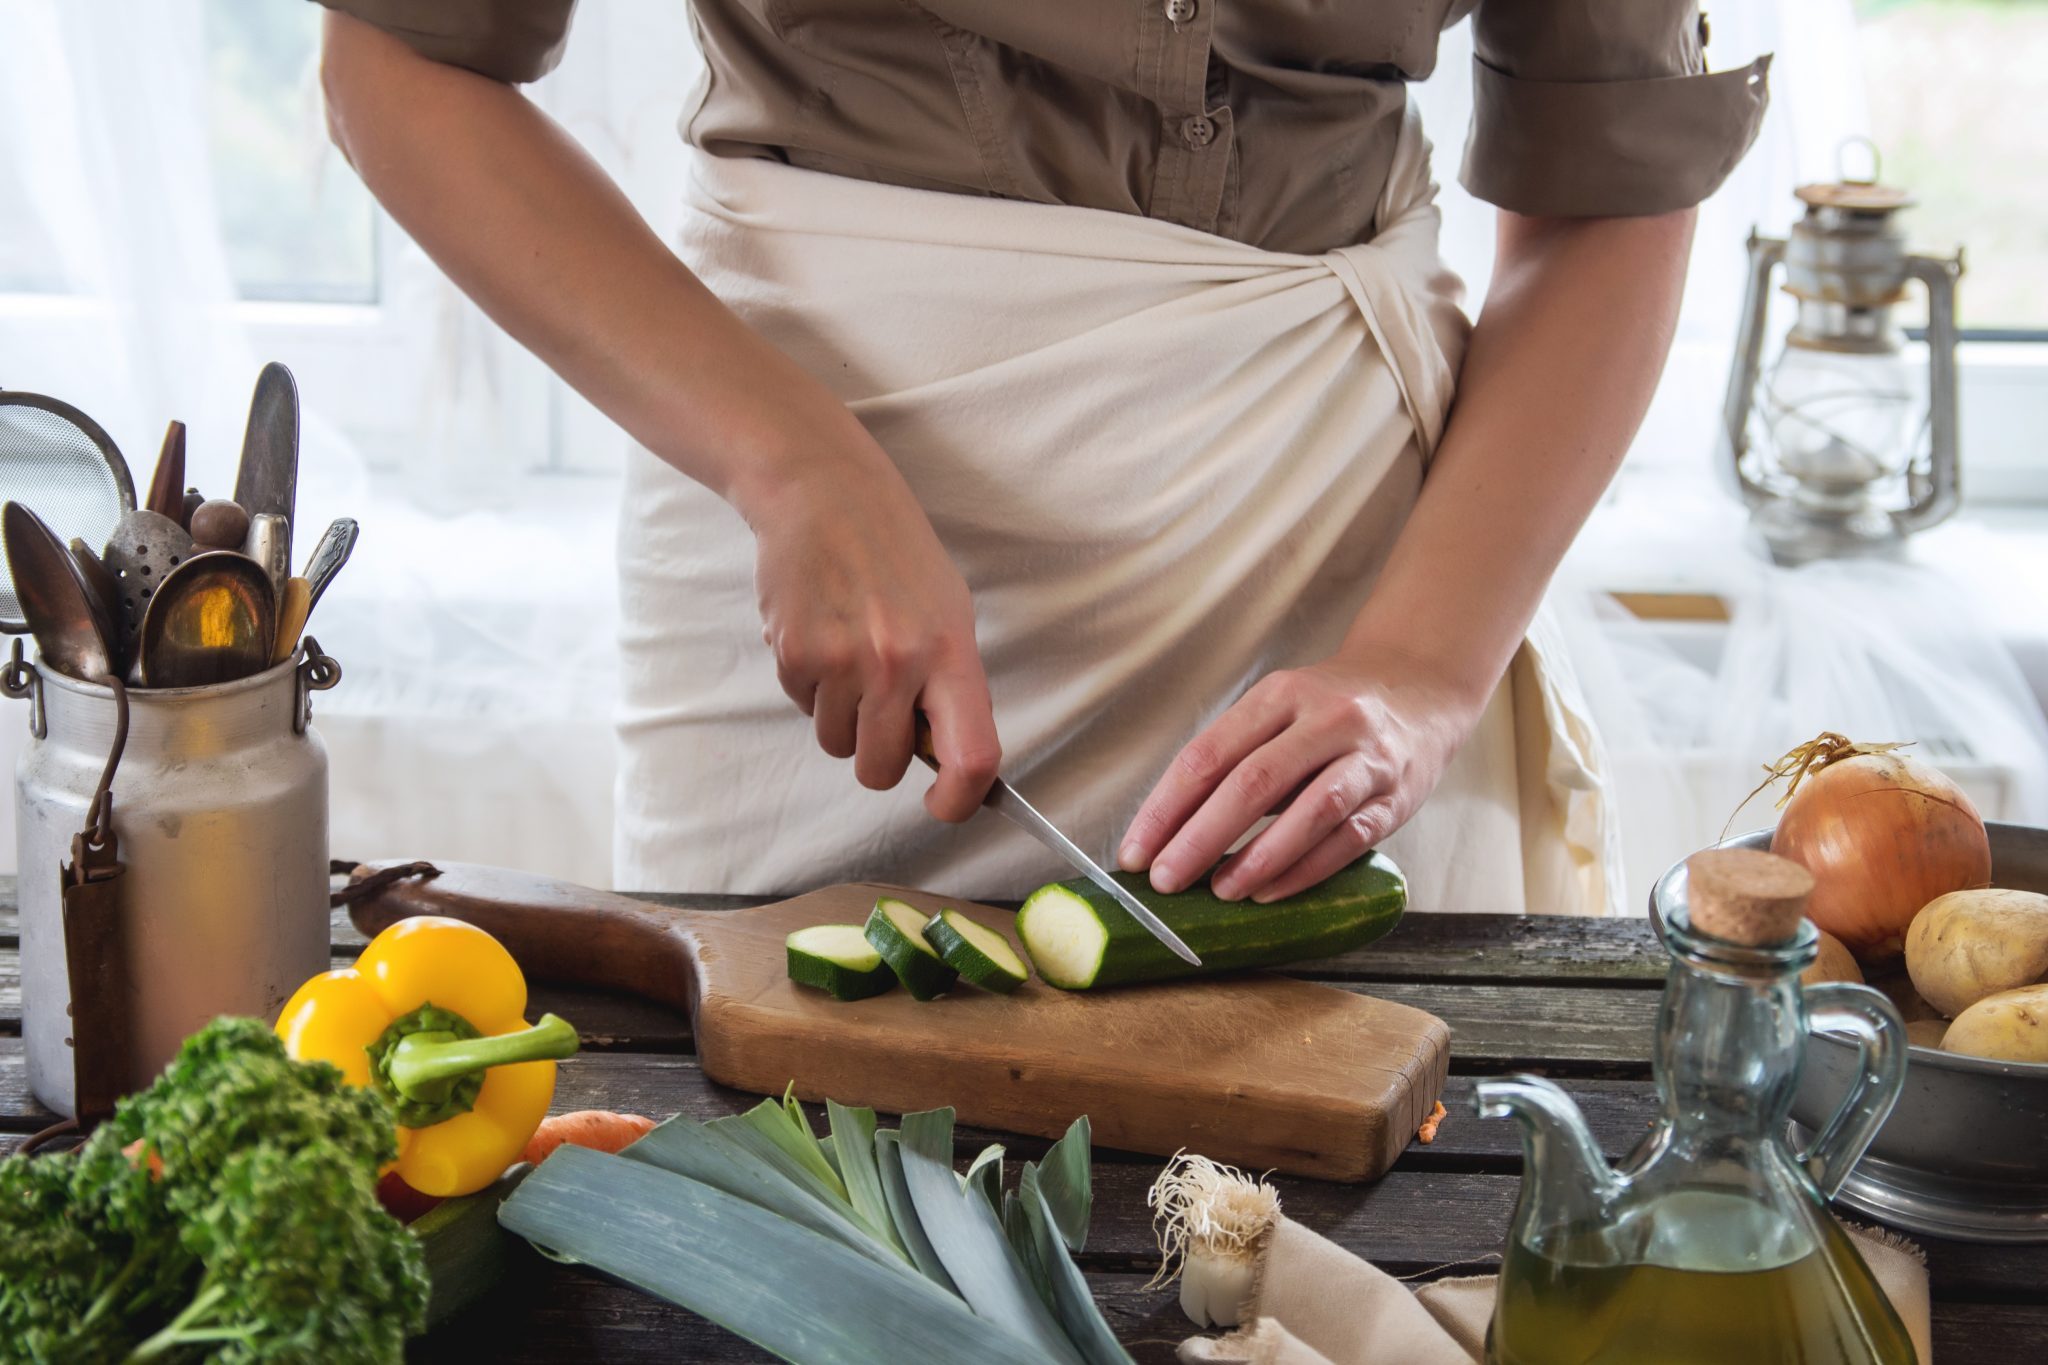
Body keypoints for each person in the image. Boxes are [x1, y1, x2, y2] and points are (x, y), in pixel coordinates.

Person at [314, 1, 1767, 913]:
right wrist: (788, 460)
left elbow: (1609, 185)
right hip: (806, 548)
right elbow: (400, 59)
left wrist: (1420, 672)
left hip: (1340, 569)